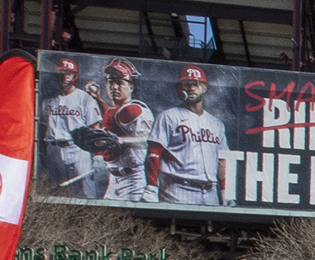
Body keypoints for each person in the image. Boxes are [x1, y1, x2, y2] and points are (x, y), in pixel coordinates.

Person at [153, 64, 230, 205]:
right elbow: (154, 153)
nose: (192, 88)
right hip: (177, 188)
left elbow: (222, 160)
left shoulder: (216, 123)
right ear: (180, 89)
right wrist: (151, 186)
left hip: (210, 191)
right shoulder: (168, 116)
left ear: (204, 87)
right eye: (186, 84)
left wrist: (225, 192)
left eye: (196, 83)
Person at [40, 55, 106, 197]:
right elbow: (42, 131)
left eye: (69, 73)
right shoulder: (47, 101)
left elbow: (96, 130)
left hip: (78, 148)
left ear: (75, 76)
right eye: (61, 73)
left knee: (86, 191)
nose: (65, 77)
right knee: (55, 190)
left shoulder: (85, 98)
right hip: (54, 149)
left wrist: (98, 155)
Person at [96, 58, 155, 202]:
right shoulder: (114, 109)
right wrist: (97, 97)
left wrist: (121, 140)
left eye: (119, 82)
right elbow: (113, 119)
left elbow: (150, 141)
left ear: (131, 87)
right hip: (113, 178)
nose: (114, 87)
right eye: (110, 82)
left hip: (133, 178)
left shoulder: (136, 110)